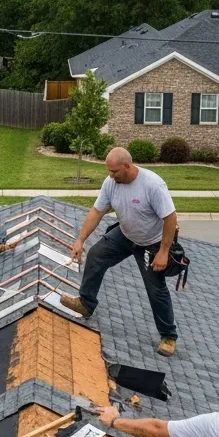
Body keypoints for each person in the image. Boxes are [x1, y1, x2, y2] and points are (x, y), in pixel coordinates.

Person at [60, 148, 180, 357]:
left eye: (114, 171)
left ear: (127, 166)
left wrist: (163, 251)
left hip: (151, 244)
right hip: (125, 236)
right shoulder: (111, 183)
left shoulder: (152, 185)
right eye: (109, 171)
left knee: (156, 289)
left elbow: (170, 218)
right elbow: (96, 211)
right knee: (96, 256)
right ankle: (86, 304)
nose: (111, 175)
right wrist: (80, 240)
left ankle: (168, 336)